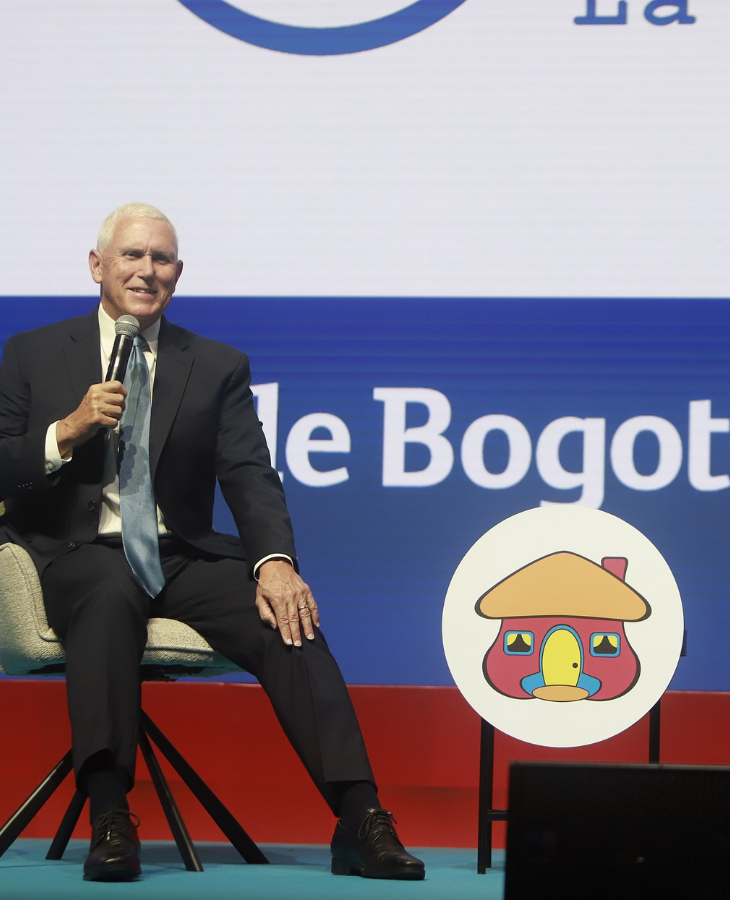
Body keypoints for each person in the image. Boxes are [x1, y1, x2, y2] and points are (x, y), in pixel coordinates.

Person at [0, 203, 425, 883]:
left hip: (178, 554)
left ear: (178, 274)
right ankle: (109, 812)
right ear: (97, 266)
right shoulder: (32, 353)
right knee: (109, 595)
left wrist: (277, 563)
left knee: (287, 619)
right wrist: (66, 431)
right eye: (132, 256)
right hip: (76, 555)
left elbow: (251, 475)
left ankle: (360, 816)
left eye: (161, 259)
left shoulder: (216, 364)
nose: (146, 270)